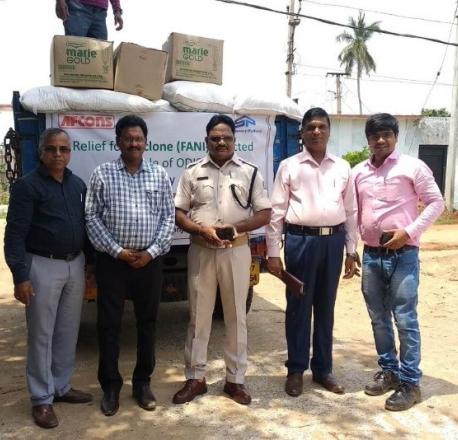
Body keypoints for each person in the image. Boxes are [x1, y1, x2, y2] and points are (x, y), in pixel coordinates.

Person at [172, 114, 271, 405]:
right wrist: (202, 229)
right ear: (207, 141)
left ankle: (235, 381)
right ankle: (195, 378)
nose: (221, 141)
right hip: (201, 250)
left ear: (234, 140)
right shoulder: (192, 172)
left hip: (236, 251)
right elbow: (179, 214)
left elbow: (264, 213)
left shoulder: (249, 172)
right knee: (198, 316)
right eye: (215, 137)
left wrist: (235, 229)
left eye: (226, 136)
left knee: (236, 317)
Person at [353, 113, 445, 411]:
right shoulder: (359, 172)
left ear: (395, 136)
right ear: (368, 139)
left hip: (403, 255)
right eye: (374, 135)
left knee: (405, 319)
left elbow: (436, 202)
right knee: (378, 319)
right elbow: (354, 213)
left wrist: (409, 232)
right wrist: (350, 249)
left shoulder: (413, 167)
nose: (380, 140)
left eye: (386, 134)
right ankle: (389, 372)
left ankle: (410, 383)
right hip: (371, 255)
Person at [85, 115, 174, 416]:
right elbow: (92, 217)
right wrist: (117, 251)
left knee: (147, 324)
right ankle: (110, 387)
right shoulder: (102, 174)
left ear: (146, 142)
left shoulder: (159, 175)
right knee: (108, 325)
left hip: (149, 262)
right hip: (113, 262)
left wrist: (150, 252)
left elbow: (168, 218)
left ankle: (142, 383)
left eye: (139, 138)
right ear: (118, 142)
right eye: (128, 138)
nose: (134, 143)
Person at [266, 107, 358, 398]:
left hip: (333, 242)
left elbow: (351, 211)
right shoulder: (289, 166)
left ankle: (323, 370)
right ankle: (295, 370)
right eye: (311, 127)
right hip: (300, 242)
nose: (316, 131)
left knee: (325, 308)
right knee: (298, 307)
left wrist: (351, 250)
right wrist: (272, 252)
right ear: (302, 133)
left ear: (329, 131)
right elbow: (276, 212)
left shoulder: (343, 167)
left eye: (321, 126)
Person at [4, 128, 93, 429]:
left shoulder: (77, 185)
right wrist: (20, 276)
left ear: (70, 152)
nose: (58, 154)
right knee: (41, 334)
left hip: (74, 264)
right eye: (52, 149)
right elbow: (14, 235)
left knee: (67, 331)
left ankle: (61, 386)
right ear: (42, 151)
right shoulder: (27, 187)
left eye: (64, 149)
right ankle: (42, 398)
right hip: (42, 265)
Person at [55, 0, 123, 40]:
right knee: (74, 51)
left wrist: (117, 10)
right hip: (77, 6)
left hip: (100, 13)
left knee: (100, 57)